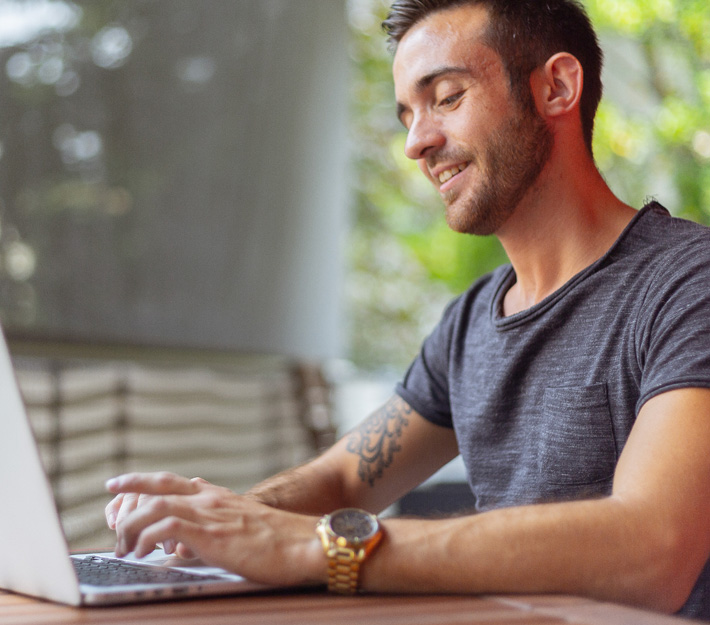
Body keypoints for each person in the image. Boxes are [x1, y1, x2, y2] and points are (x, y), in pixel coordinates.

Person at [104, 0, 710, 619]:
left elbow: (653, 553)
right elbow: (344, 480)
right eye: (407, 116)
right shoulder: (473, 321)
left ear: (556, 87)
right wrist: (221, 518)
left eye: (446, 96)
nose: (418, 143)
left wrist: (325, 549)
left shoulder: (690, 285)